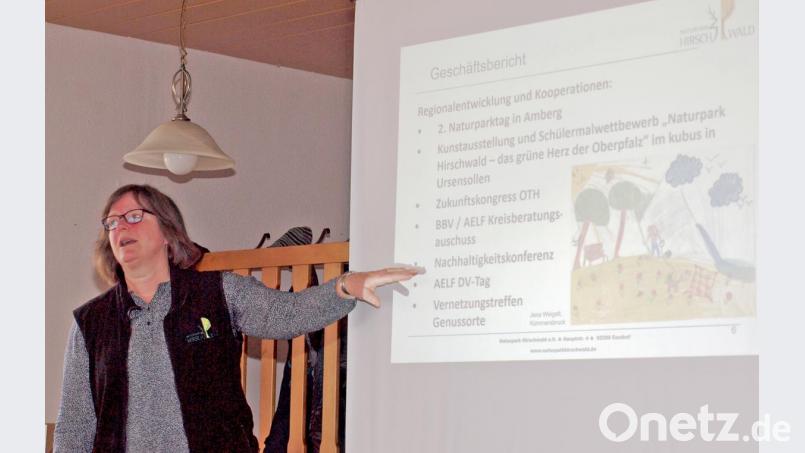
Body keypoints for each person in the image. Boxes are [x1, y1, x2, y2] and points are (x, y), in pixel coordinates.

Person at [54, 184, 420, 453]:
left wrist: (345, 285)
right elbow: (75, 425)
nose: (121, 228)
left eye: (134, 217)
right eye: (112, 222)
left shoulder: (218, 292)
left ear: (167, 231)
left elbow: (285, 313)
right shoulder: (90, 322)